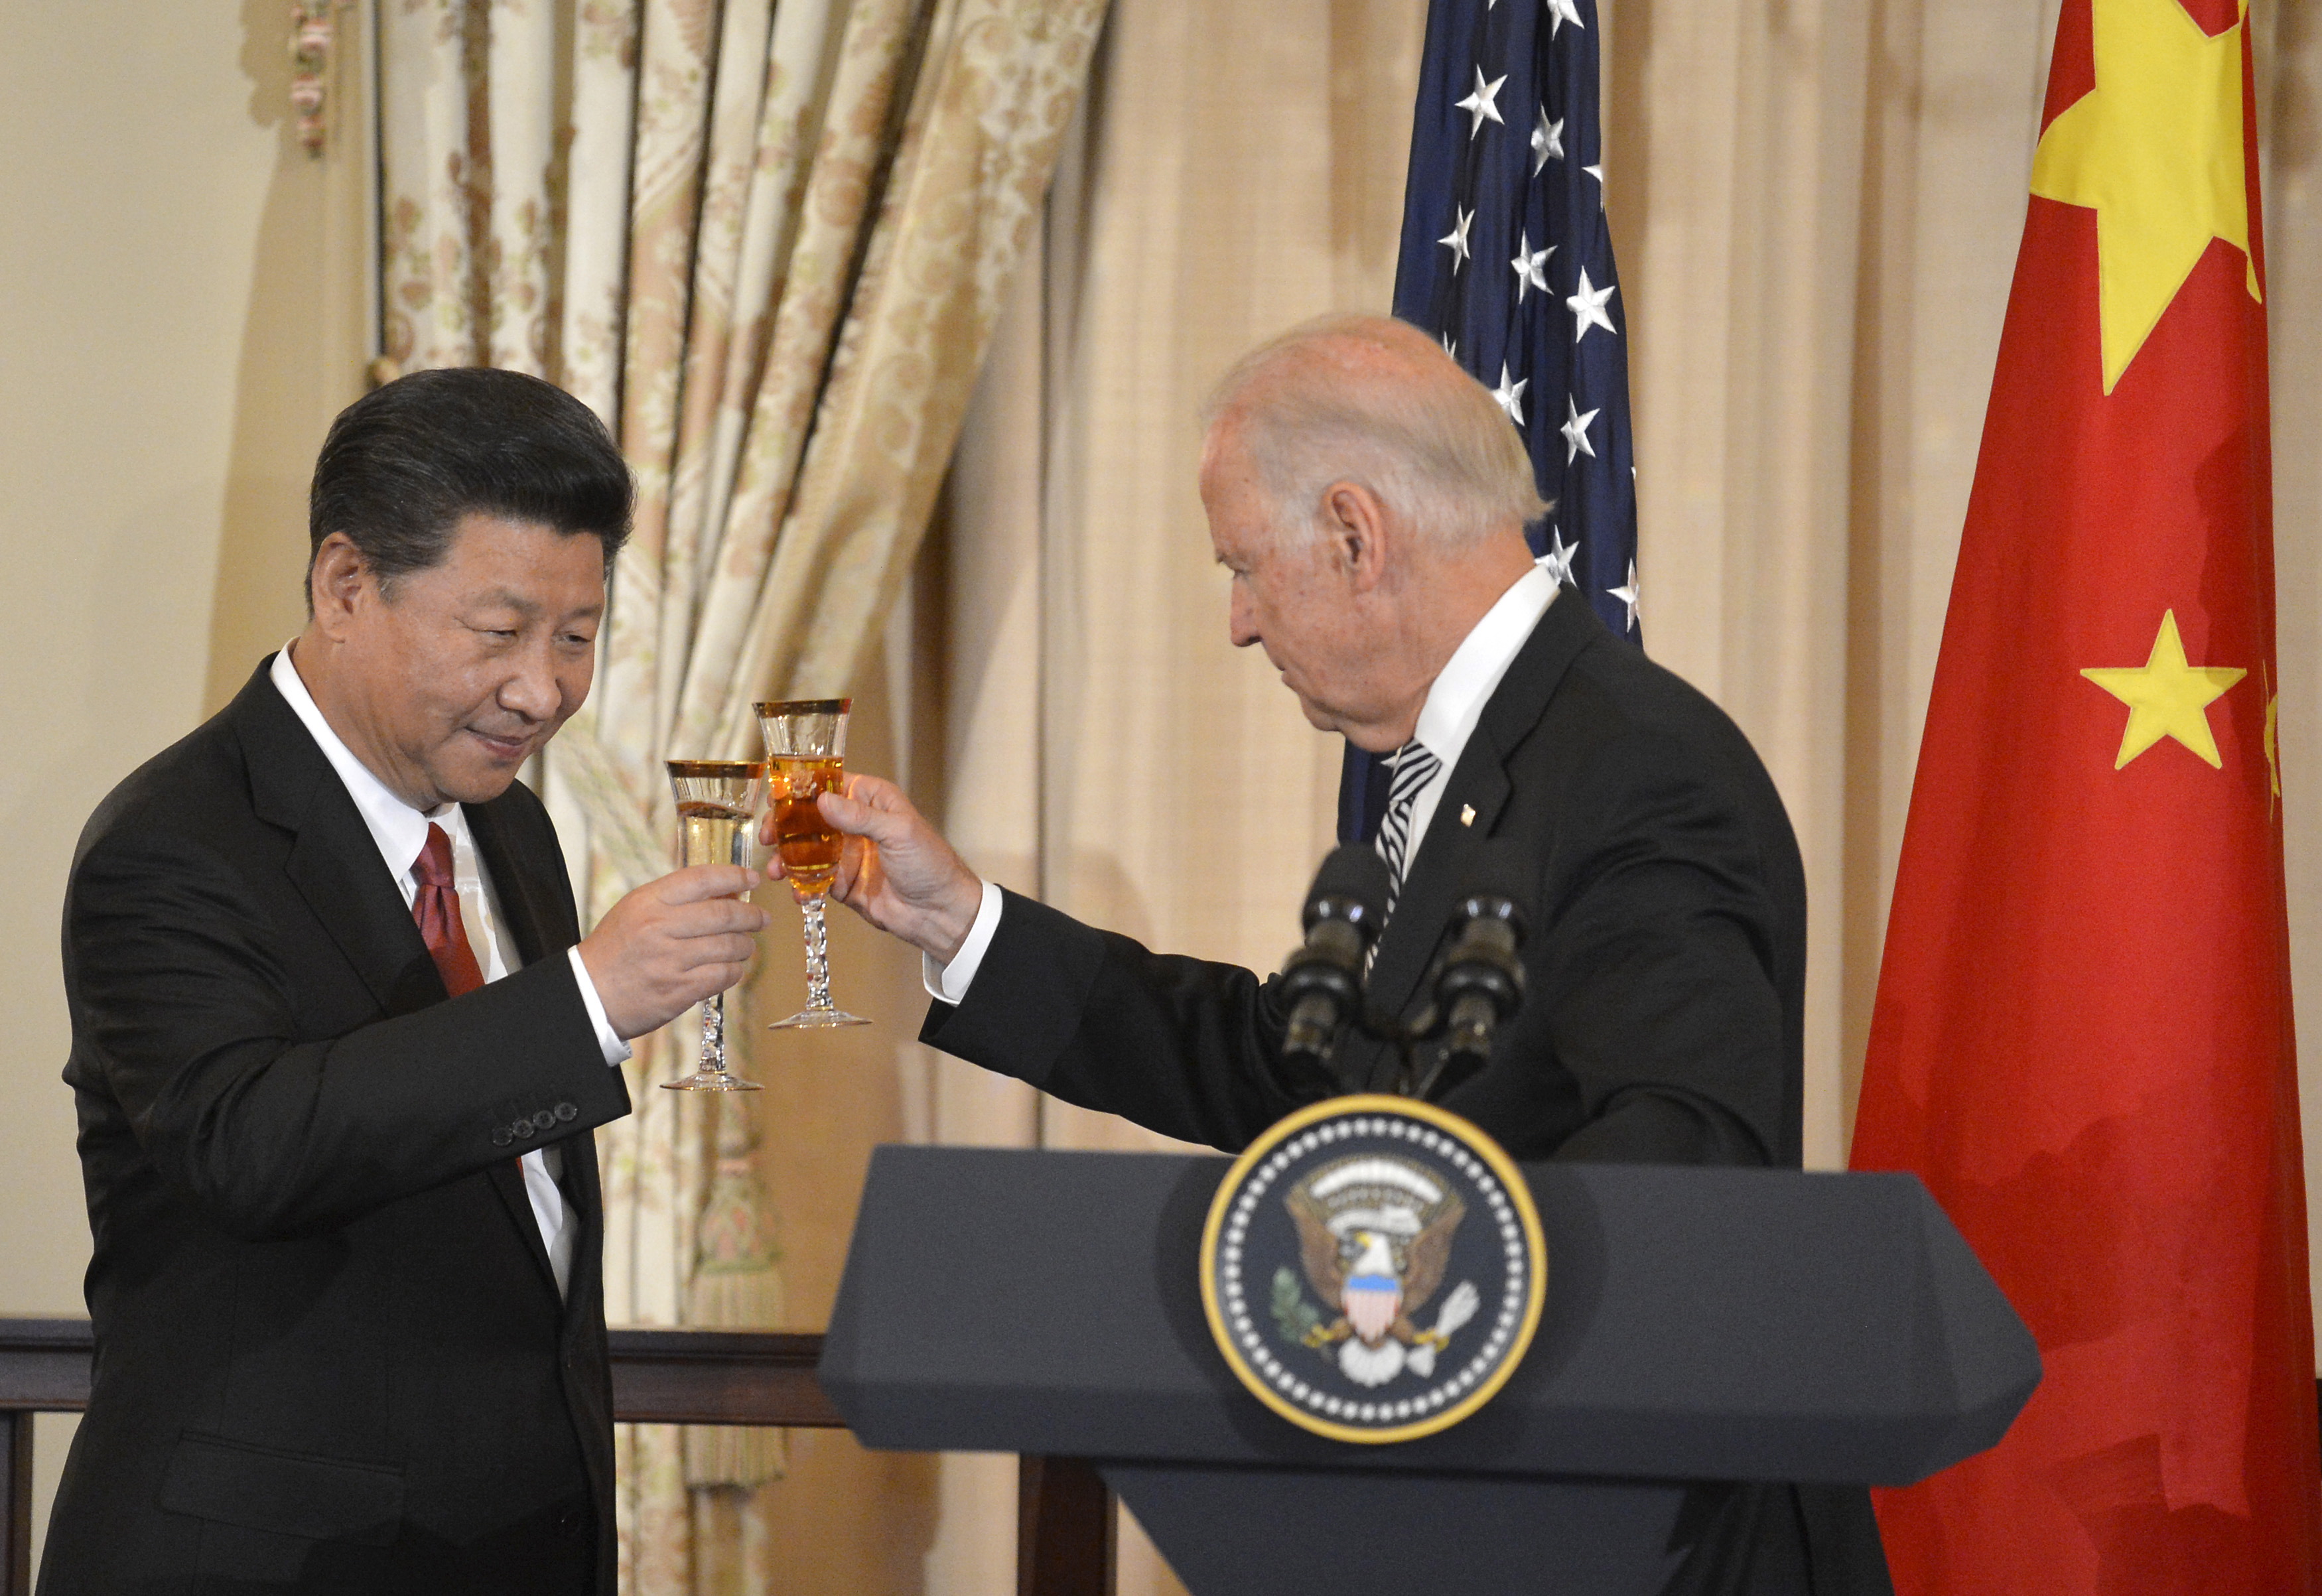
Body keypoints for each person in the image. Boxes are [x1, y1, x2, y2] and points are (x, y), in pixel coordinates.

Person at [783, 314, 1891, 1595]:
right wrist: (957, 918)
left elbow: (1689, 1161)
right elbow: (1320, 1085)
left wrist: (1372, 1282)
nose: (1241, 624)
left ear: (1356, 535)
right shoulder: (1486, 755)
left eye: (1247, 567)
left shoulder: (1634, 766)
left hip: (1644, 1544)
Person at [46, 368, 766, 1596]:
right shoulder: (173, 840)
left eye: (578, 635)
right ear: (345, 585)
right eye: (498, 633)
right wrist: (589, 1001)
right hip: (269, 1558)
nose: (543, 689)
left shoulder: (514, 831)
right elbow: (252, 1143)